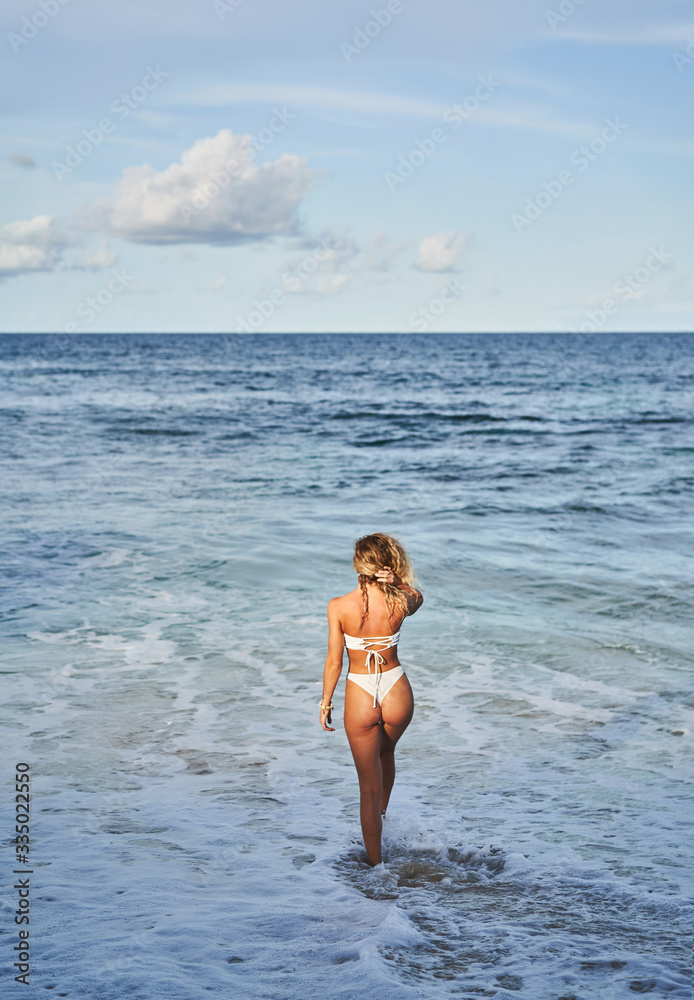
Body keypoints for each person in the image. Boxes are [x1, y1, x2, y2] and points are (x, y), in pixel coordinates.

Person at [319, 532, 423, 866]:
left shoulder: (338, 606)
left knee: (367, 786)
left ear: (358, 566)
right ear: (387, 564)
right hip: (397, 690)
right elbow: (418, 599)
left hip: (361, 691)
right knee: (387, 752)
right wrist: (401, 582)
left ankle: (377, 867)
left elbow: (335, 661)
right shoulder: (398, 601)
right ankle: (382, 819)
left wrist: (325, 703)